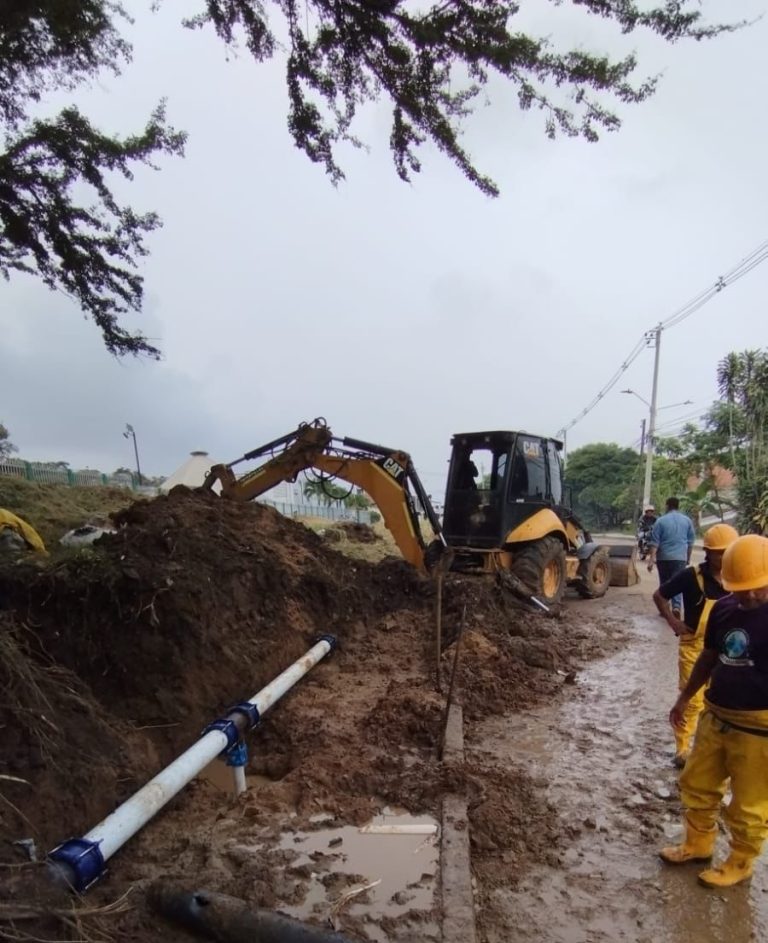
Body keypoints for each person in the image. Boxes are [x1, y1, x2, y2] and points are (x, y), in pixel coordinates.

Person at [659, 534, 768, 888]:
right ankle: (698, 843)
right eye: (742, 589)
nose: (750, 595)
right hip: (716, 715)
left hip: (759, 729)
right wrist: (684, 699)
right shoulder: (723, 608)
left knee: (750, 804)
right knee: (697, 783)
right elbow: (708, 658)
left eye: (758, 588)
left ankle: (740, 861)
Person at [652, 523, 739, 768]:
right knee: (691, 700)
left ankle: (711, 748)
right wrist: (673, 622)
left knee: (720, 701)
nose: (723, 557)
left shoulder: (740, 578)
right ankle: (683, 748)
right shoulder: (691, 577)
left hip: (729, 649)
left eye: (728, 551)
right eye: (719, 552)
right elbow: (659, 595)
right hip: (695, 646)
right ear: (708, 552)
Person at [647, 497, 695, 618]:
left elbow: (655, 542)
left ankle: (665, 609)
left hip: (663, 557)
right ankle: (677, 607)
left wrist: (651, 560)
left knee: (665, 583)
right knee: (678, 583)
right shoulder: (687, 521)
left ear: (667, 506)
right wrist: (688, 558)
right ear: (678, 506)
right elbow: (690, 542)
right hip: (680, 558)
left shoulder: (660, 521)